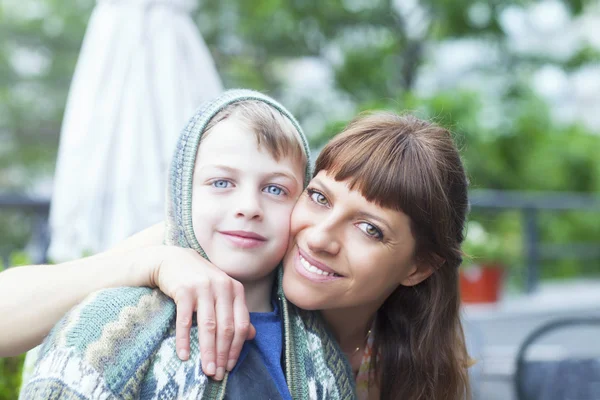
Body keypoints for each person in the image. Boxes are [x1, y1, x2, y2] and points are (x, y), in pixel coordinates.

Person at [3, 109, 472, 399]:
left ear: (418, 267)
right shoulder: (225, 239)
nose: (320, 237)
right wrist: (156, 261)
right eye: (321, 198)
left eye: (369, 229)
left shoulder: (407, 363)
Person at [18, 89, 355, 399]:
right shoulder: (110, 330)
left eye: (275, 189)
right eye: (221, 182)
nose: (249, 207)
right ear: (182, 194)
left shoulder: (322, 349)